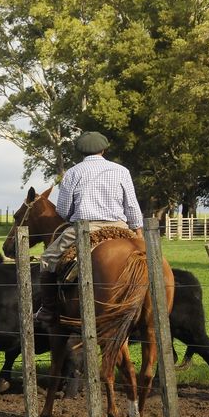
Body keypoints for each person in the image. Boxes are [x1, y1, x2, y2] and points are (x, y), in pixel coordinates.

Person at [34, 131, 145, 324]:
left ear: (80, 152)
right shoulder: (121, 171)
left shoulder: (73, 172)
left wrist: (72, 215)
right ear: (104, 149)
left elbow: (62, 209)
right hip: (120, 228)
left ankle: (48, 309)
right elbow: (132, 205)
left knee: (47, 259)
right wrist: (137, 230)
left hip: (85, 228)